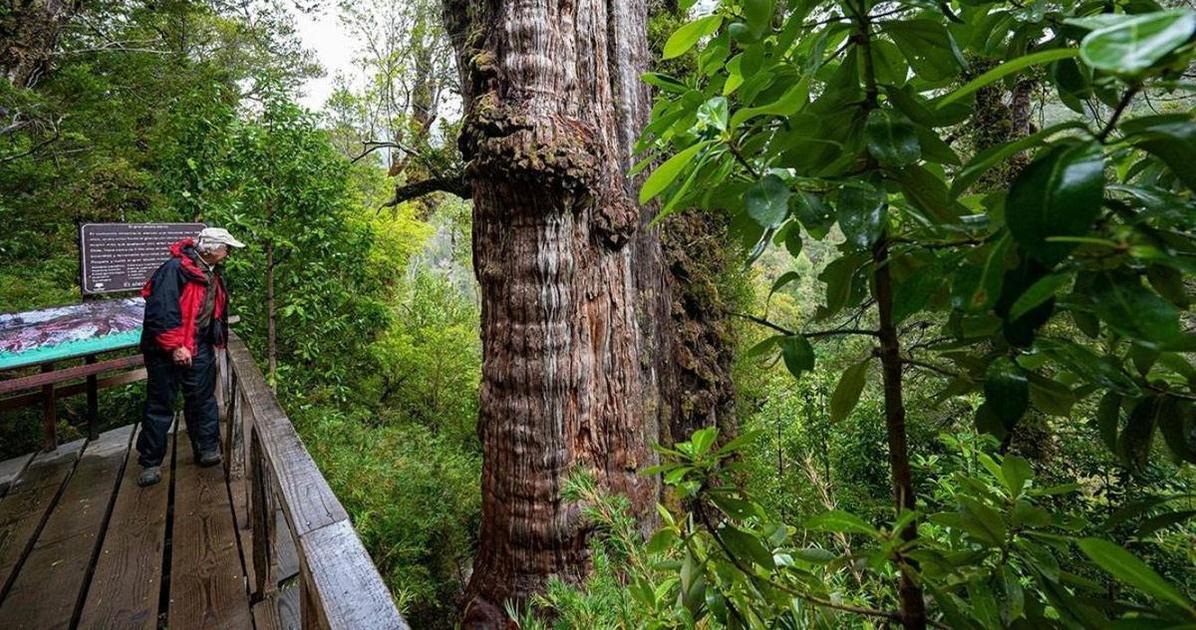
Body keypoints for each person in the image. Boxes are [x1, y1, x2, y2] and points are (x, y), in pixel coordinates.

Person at [136, 227, 245, 487]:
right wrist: (176, 346)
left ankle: (207, 448)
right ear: (209, 248)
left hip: (200, 345)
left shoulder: (211, 272)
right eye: (225, 247)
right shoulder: (175, 270)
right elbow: (161, 311)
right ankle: (150, 462)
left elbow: (211, 309)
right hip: (167, 348)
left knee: (202, 398)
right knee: (161, 403)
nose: (228, 253)